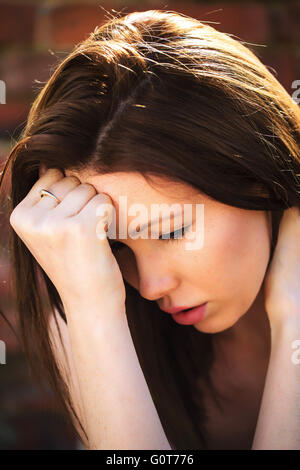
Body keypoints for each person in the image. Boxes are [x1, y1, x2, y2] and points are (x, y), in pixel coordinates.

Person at [1, 9, 300, 450]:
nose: (150, 285)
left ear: (260, 171)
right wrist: (94, 310)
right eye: (115, 245)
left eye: (171, 232)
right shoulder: (87, 322)